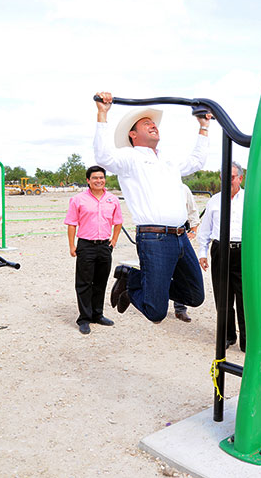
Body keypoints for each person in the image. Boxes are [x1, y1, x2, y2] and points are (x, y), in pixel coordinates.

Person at [93, 92, 211, 323]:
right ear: (133, 134)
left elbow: (197, 161)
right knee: (155, 312)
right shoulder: (130, 158)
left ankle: (136, 279)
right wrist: (102, 113)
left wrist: (204, 126)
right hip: (154, 239)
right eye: (146, 124)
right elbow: (103, 156)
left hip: (180, 236)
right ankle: (131, 281)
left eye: (154, 124)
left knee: (195, 295)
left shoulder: (168, 161)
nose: (153, 126)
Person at [64, 166, 123, 334]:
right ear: (88, 180)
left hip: (105, 246)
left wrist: (114, 240)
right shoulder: (78, 199)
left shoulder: (112, 199)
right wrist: (72, 245)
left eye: (102, 177)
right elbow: (71, 223)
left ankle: (98, 314)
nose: (99, 180)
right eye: (95, 178)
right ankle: (84, 318)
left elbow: (118, 221)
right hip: (86, 245)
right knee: (84, 283)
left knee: (100, 282)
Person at [197, 162, 246, 352]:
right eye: (223, 177)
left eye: (231, 177)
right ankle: (228, 336)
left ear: (240, 178)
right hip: (221, 251)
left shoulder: (250, 199)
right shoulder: (214, 201)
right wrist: (203, 252)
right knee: (223, 297)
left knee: (244, 298)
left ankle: (247, 341)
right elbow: (205, 229)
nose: (228, 181)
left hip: (244, 252)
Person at [173, 183, 201, 323]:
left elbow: (192, 210)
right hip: (160, 234)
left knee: (183, 272)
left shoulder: (183, 188)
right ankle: (154, 304)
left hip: (180, 232)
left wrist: (193, 230)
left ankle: (180, 309)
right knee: (162, 272)